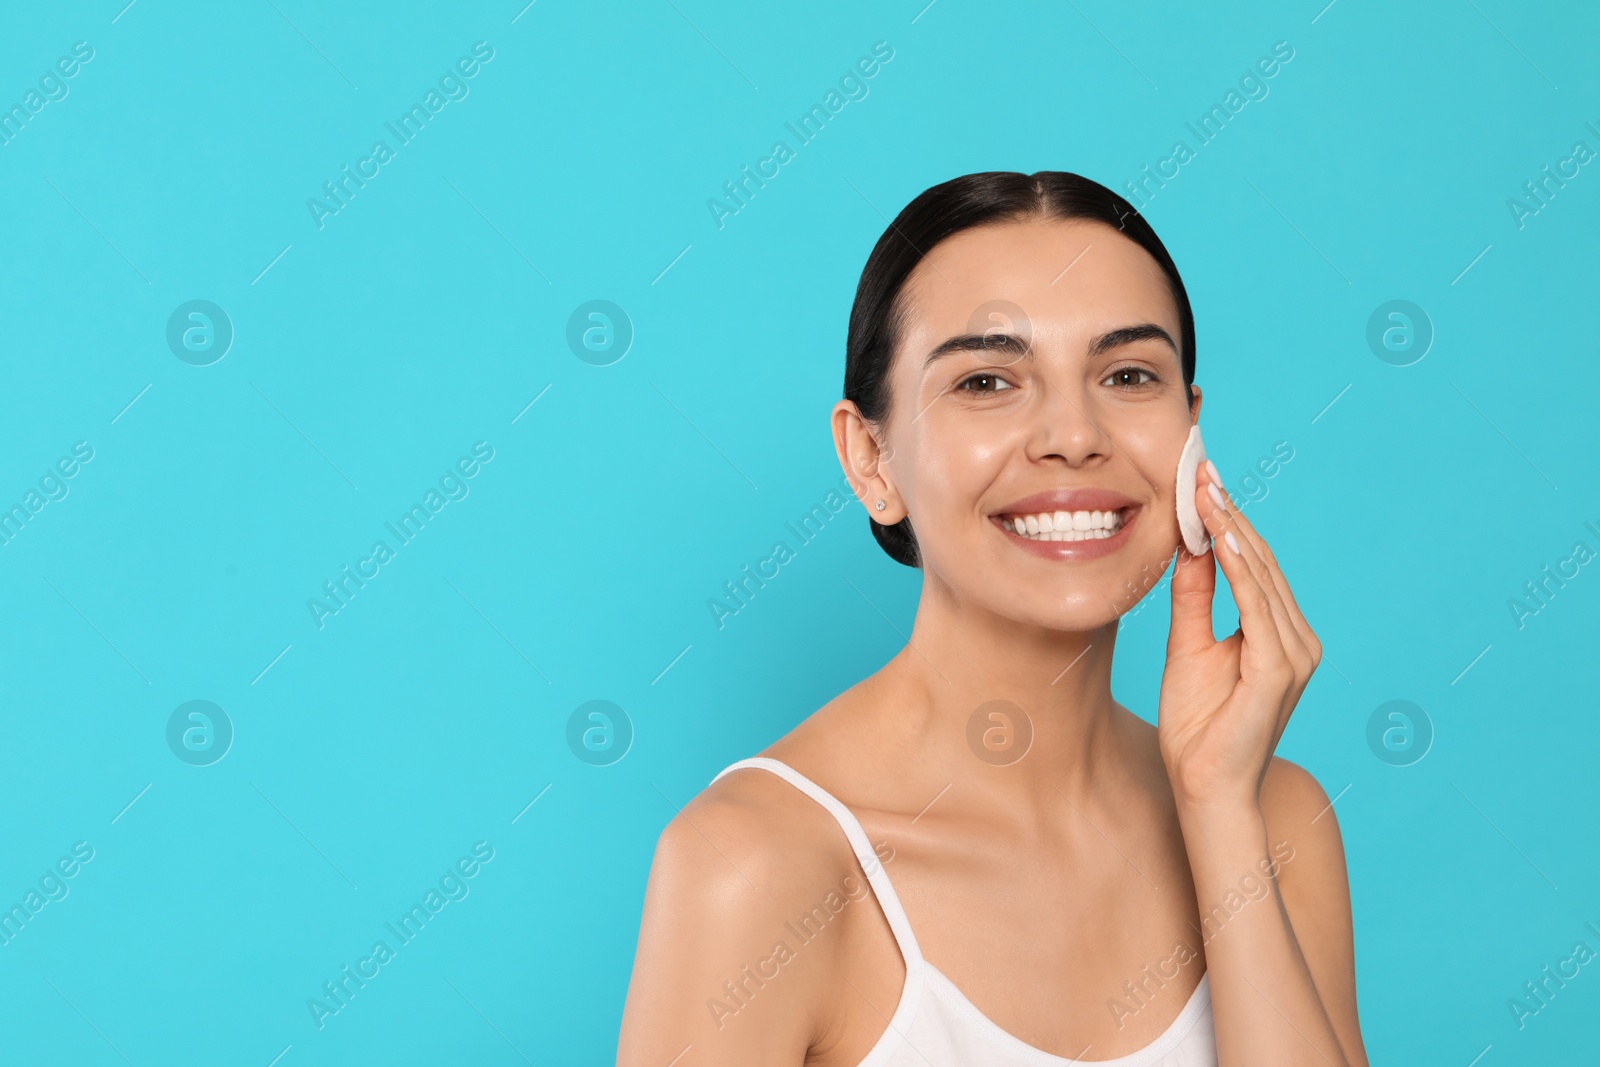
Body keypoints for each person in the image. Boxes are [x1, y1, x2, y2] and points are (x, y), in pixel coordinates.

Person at [617, 171, 1366, 1066]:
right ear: (871, 458)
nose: (1074, 433)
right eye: (986, 380)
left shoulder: (1278, 818)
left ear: (1192, 428)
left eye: (1128, 374)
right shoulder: (754, 864)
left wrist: (1218, 809)